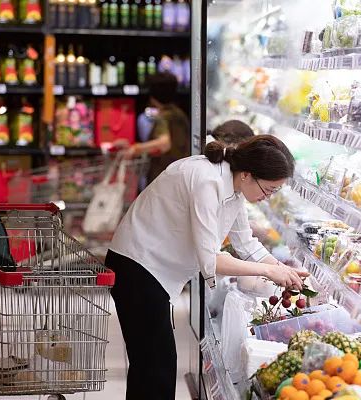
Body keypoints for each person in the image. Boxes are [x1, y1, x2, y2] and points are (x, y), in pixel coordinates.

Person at [106, 134, 309, 399]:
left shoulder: (234, 187)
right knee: (155, 367)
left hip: (153, 269)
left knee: (152, 364)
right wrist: (269, 271)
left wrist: (284, 270)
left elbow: (246, 244)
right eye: (268, 189)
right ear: (247, 174)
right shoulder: (207, 181)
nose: (268, 197)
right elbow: (210, 260)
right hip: (137, 265)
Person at [123, 72, 190, 184]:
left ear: (152, 96)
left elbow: (164, 143)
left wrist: (136, 149)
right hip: (180, 175)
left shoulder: (163, 117)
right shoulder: (179, 114)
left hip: (165, 177)